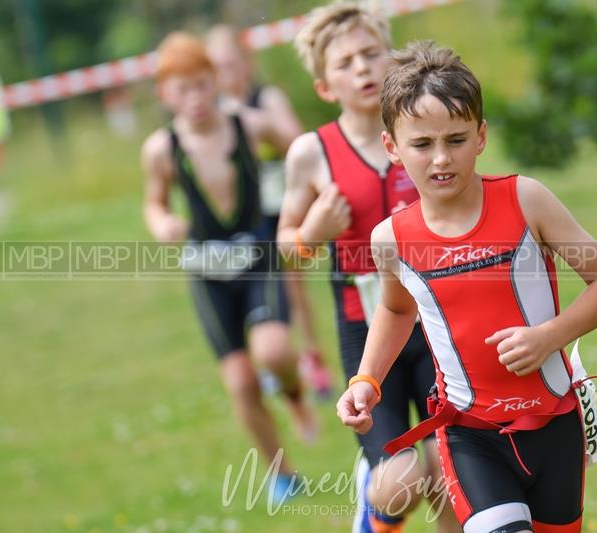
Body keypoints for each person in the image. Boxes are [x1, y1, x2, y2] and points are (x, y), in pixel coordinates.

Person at [336, 41, 597, 533]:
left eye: (455, 139)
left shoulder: (526, 200)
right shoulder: (391, 239)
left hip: (555, 424)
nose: (440, 159)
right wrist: (366, 380)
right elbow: (394, 311)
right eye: (422, 144)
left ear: (481, 136)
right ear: (392, 146)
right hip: (469, 436)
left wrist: (548, 337)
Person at [278, 4, 459, 532]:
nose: (361, 69)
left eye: (370, 54)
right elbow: (287, 248)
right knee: (404, 475)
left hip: (437, 322)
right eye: (345, 63)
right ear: (324, 86)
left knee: (453, 470)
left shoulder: (426, 132)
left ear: (393, 60)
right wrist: (313, 231)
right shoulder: (311, 154)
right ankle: (374, 509)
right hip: (366, 331)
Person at [141, 32, 317, 505]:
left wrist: (304, 200)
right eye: (182, 90)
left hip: (258, 255)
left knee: (276, 351)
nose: (195, 98)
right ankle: (281, 473)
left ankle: (297, 395)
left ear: (216, 80)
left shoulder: (248, 124)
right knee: (240, 380)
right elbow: (154, 202)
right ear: (165, 95)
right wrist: (162, 223)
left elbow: (304, 152)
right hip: (207, 269)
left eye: (202, 84)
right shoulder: (161, 149)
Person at [205, 24, 333, 399]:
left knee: (291, 286)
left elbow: (295, 140)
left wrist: (249, 119)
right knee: (257, 290)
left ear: (246, 63)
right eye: (217, 67)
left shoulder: (264, 99)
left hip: (281, 206)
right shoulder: (212, 114)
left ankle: (311, 356)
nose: (225, 74)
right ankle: (276, 362)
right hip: (244, 218)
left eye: (231, 64)